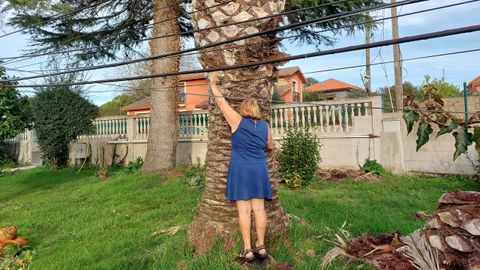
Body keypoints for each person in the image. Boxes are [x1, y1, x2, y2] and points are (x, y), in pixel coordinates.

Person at [209, 72, 277, 263]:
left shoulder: (237, 121)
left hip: (241, 171)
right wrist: (274, 145)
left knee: (244, 212)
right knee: (260, 210)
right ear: (256, 111)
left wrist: (213, 84)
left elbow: (222, 103)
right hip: (259, 171)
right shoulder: (265, 127)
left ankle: (248, 249)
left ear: (243, 109)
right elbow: (270, 146)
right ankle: (261, 247)